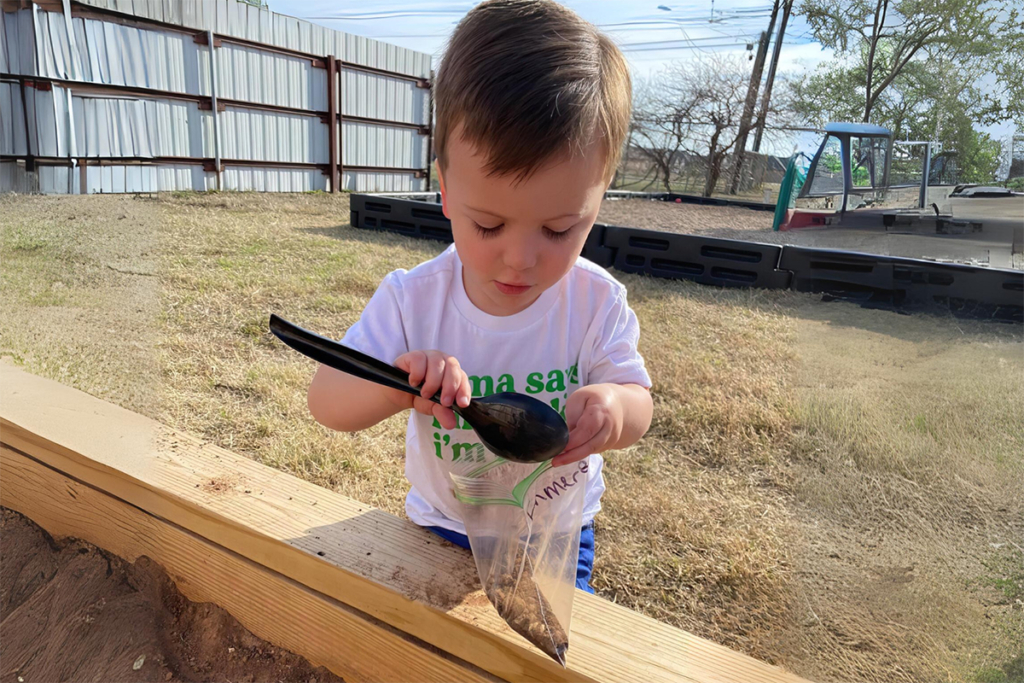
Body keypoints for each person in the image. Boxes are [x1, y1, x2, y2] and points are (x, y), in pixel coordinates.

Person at [307, 0, 653, 593]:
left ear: (598, 201)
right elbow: (327, 404)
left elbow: (638, 401)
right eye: (488, 225)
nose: (520, 258)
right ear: (444, 190)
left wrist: (614, 410)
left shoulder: (596, 302)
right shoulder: (413, 301)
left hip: (556, 528)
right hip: (443, 523)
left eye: (559, 229)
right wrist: (398, 381)